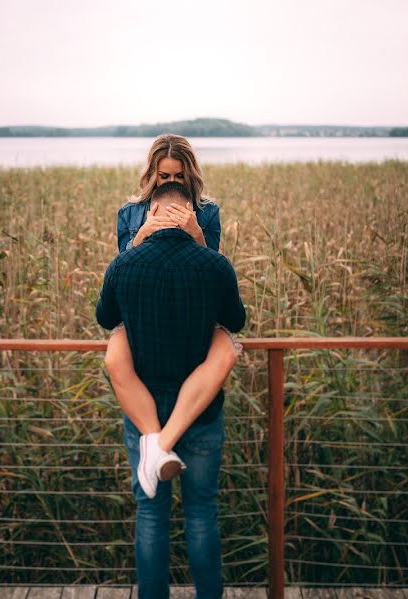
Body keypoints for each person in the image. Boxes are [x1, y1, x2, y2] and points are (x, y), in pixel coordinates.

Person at [96, 181, 246, 599]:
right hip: (202, 413)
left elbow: (106, 318)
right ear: (191, 216)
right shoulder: (215, 266)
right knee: (201, 514)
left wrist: (134, 245)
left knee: (151, 514)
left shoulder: (124, 265)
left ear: (150, 214)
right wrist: (205, 245)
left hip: (144, 408)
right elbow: (235, 320)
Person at [107, 134, 241, 495]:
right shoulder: (130, 213)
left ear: (189, 175)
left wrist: (196, 232)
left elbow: (210, 271)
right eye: (163, 176)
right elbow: (121, 273)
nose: (170, 183)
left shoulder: (207, 211)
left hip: (190, 318)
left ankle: (155, 446)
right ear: (152, 173)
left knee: (225, 348)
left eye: (177, 176)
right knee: (115, 353)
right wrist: (142, 236)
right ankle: (161, 447)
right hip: (143, 320)